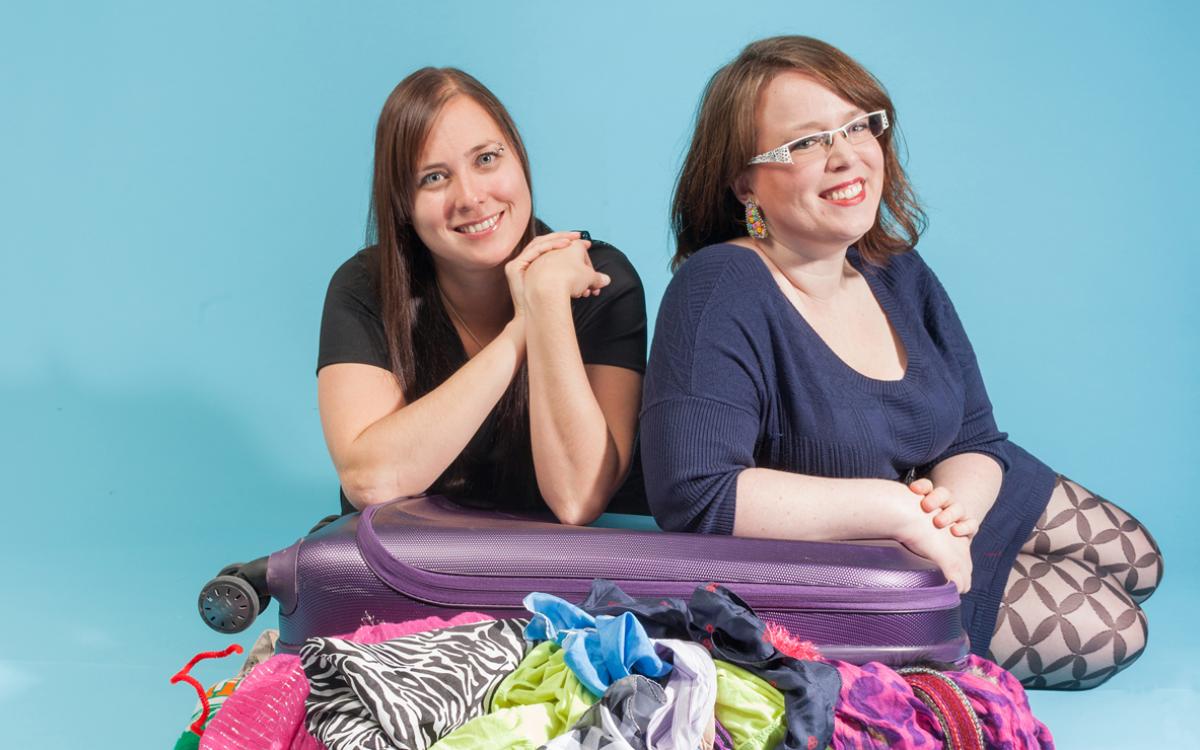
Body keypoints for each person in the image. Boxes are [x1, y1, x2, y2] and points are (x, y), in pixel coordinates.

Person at [641, 36, 1162, 690]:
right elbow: (695, 494)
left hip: (951, 508)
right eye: (807, 142)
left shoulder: (898, 272)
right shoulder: (719, 287)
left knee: (1140, 560)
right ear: (744, 180)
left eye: (858, 125)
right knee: (1112, 631)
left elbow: (976, 437)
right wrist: (901, 514)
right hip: (866, 559)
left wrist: (949, 516)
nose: (846, 155)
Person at [317, 67, 647, 525]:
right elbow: (371, 481)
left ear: (520, 159)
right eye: (433, 178)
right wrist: (520, 330)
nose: (470, 196)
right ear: (401, 204)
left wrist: (548, 296)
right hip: (412, 579)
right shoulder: (366, 288)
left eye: (487, 159)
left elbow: (577, 499)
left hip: (573, 584)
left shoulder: (600, 278)